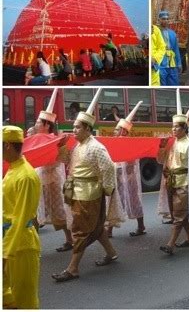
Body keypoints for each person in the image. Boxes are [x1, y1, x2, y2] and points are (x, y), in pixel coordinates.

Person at [52, 89, 118, 282]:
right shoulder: (78, 146)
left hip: (89, 194)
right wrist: (62, 147)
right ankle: (112, 253)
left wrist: (106, 189)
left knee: (80, 231)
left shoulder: (96, 147)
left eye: (77, 128)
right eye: (73, 127)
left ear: (88, 129)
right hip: (78, 192)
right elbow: (67, 162)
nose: (74, 131)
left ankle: (73, 268)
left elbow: (108, 168)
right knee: (96, 228)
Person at [157, 93, 189, 255]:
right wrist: (162, 147)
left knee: (178, 215)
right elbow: (161, 161)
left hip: (185, 183)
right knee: (179, 213)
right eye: (173, 127)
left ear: (184, 128)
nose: (173, 129)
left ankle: (170, 244)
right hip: (172, 182)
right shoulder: (172, 144)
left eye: (177, 127)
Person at [3, 126, 41, 309]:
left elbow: (19, 219)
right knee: (7, 296)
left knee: (25, 300)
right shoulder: (12, 170)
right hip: (10, 241)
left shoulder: (25, 176)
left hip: (21, 245)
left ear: (8, 146)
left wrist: (5, 253)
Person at [34, 89, 73, 252]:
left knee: (59, 212)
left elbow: (64, 160)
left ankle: (70, 240)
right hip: (39, 180)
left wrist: (62, 147)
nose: (35, 124)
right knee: (35, 212)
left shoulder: (56, 141)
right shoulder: (35, 139)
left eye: (38, 122)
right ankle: (34, 245)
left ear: (46, 125)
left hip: (53, 182)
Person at [107, 102, 146, 237]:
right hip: (117, 177)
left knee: (134, 202)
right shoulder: (114, 142)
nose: (114, 131)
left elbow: (130, 166)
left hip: (128, 179)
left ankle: (141, 226)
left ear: (123, 131)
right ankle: (109, 229)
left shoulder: (130, 144)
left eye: (117, 130)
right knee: (114, 203)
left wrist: (121, 175)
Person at [158, 10, 182, 86]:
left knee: (174, 82)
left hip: (172, 62)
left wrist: (179, 63)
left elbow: (176, 49)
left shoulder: (172, 33)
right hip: (161, 61)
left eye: (167, 19)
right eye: (164, 19)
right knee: (162, 83)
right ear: (159, 20)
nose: (166, 21)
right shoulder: (156, 32)